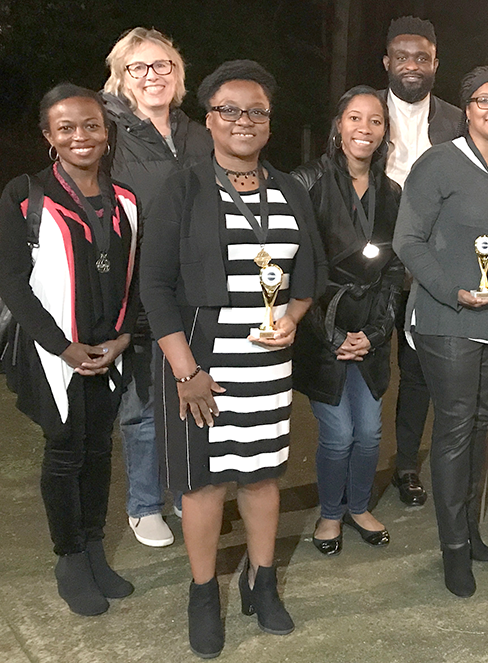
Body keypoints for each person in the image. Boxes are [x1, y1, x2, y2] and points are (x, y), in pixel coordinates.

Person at [141, 60, 324, 657]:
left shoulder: (291, 187)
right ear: (210, 119)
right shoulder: (186, 185)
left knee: (264, 475)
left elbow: (307, 279)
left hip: (267, 367)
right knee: (203, 486)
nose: (243, 121)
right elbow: (155, 287)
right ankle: (203, 594)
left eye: (256, 112)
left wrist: (292, 322)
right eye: (229, 110)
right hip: (201, 363)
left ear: (269, 123)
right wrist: (185, 372)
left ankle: (260, 581)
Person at [393, 65, 488, 597]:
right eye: (483, 100)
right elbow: (407, 240)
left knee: (481, 424)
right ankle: (453, 549)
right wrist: (450, 290)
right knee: (456, 427)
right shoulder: (438, 163)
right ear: (467, 109)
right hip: (447, 318)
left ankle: (472, 532)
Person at [0, 84, 138, 615]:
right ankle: (69, 557)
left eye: (91, 125)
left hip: (108, 350)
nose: (80, 136)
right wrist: (62, 347)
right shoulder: (24, 194)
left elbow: (132, 279)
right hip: (52, 352)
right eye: (66, 128)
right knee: (64, 450)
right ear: (48, 137)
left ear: (107, 133)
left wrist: (123, 337)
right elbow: (12, 282)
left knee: (100, 448)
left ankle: (96, 548)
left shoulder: (126, 200)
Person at [102, 26, 213, 548]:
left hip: (192, 285)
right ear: (121, 76)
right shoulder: (110, 131)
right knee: (144, 403)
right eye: (139, 68)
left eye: (162, 66)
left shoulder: (196, 131)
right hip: (139, 287)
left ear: (178, 73)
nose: (153, 76)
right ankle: (144, 504)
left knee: (187, 393)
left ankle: (178, 490)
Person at [292, 86, 403, 556]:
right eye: (355, 118)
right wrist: (331, 333)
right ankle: (330, 514)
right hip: (321, 326)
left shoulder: (392, 192)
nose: (364, 129)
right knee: (338, 434)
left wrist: (376, 333)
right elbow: (295, 265)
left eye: (375, 121)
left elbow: (396, 268)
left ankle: (359, 506)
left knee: (372, 430)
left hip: (371, 324)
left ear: (384, 132)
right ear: (338, 125)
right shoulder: (307, 182)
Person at [381, 16, 465, 507]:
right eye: (403, 56)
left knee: (417, 374)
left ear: (435, 64)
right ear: (387, 61)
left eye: (422, 58)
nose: (412, 66)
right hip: (372, 271)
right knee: (366, 372)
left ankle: (407, 464)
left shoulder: (456, 121)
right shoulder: (364, 111)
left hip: (429, 272)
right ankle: (353, 469)